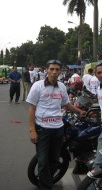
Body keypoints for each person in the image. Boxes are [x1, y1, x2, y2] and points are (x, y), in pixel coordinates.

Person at [27, 60, 86, 190]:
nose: (54, 72)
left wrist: (79, 111)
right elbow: (32, 109)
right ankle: (46, 186)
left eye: (57, 69)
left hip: (58, 129)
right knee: (42, 162)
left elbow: (66, 104)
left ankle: (46, 179)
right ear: (47, 70)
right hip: (42, 129)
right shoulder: (37, 86)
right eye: (52, 69)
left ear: (60, 71)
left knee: (54, 161)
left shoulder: (62, 87)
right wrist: (32, 130)